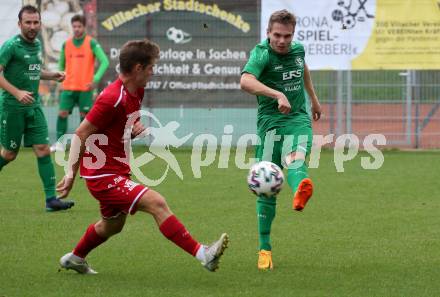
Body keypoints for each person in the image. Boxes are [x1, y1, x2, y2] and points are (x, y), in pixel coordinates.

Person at [56, 39, 229, 274]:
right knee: (157, 203)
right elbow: (80, 134)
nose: (153, 72)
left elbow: (122, 123)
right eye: (151, 67)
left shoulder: (136, 91)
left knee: (112, 225)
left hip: (116, 169)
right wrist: (69, 173)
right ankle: (203, 254)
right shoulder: (111, 98)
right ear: (138, 68)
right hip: (101, 174)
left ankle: (75, 258)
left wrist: (134, 125)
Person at [240, 9, 322, 270]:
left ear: (293, 35)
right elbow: (245, 81)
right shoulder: (262, 53)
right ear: (268, 33)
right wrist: (277, 94)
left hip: (298, 119)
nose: (282, 41)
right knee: (266, 184)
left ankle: (300, 189)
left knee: (296, 157)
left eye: (287, 36)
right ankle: (265, 249)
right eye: (277, 35)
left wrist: (314, 99)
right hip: (270, 126)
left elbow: (303, 69)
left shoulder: (298, 50)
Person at [0, 5, 74, 211]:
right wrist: (17, 92)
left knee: (42, 149)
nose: (32, 26)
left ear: (40, 23)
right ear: (19, 24)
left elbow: (32, 70)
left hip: (34, 107)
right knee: (9, 154)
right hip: (12, 108)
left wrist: (52, 75)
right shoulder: (11, 46)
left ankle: (51, 200)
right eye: (28, 22)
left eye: (36, 22)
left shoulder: (38, 45)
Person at [51, 14, 109, 152]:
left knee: (85, 117)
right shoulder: (66, 44)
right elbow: (61, 64)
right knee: (62, 113)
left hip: (85, 88)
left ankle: (84, 145)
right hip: (68, 87)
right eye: (74, 26)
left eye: (79, 26)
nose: (76, 29)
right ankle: (59, 143)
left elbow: (105, 62)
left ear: (84, 27)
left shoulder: (91, 43)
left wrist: (95, 79)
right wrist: (60, 77)